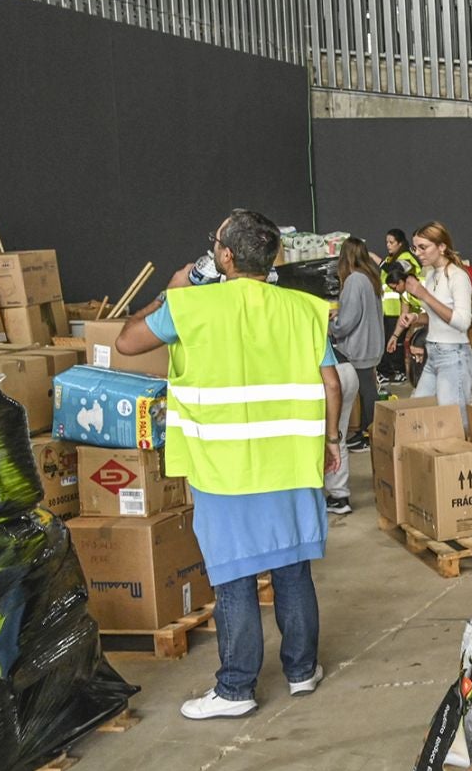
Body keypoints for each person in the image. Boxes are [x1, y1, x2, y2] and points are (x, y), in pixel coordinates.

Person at [113, 210, 337, 718]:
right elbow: (332, 383)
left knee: (234, 575)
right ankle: (302, 672)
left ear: (226, 256)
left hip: (221, 464)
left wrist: (173, 290)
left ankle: (237, 689)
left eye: (214, 242)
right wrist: (329, 441)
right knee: (292, 566)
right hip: (289, 460)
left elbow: (126, 341)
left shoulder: (190, 307)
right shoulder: (304, 308)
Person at [400, 221, 472, 426]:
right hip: (433, 353)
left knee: (454, 421)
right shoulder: (432, 274)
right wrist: (416, 318)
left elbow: (462, 322)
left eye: (423, 247)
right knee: (417, 410)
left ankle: (464, 457)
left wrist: (423, 294)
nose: (418, 253)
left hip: (453, 355)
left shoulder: (458, 277)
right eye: (415, 248)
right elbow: (436, 316)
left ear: (441, 246)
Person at [330, 237, 381, 465]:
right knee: (368, 389)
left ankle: (368, 435)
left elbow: (347, 321)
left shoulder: (353, 281)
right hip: (371, 343)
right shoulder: (371, 277)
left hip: (357, 346)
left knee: (363, 392)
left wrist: (332, 326)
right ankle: (369, 432)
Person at [377, 229, 421, 389]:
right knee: (391, 340)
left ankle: (399, 371)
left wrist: (379, 261)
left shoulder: (406, 258)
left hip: (398, 310)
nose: (388, 245)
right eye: (386, 242)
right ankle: (390, 371)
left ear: (400, 243)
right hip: (390, 309)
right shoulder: (390, 259)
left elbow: (395, 270)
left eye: (391, 242)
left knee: (400, 342)